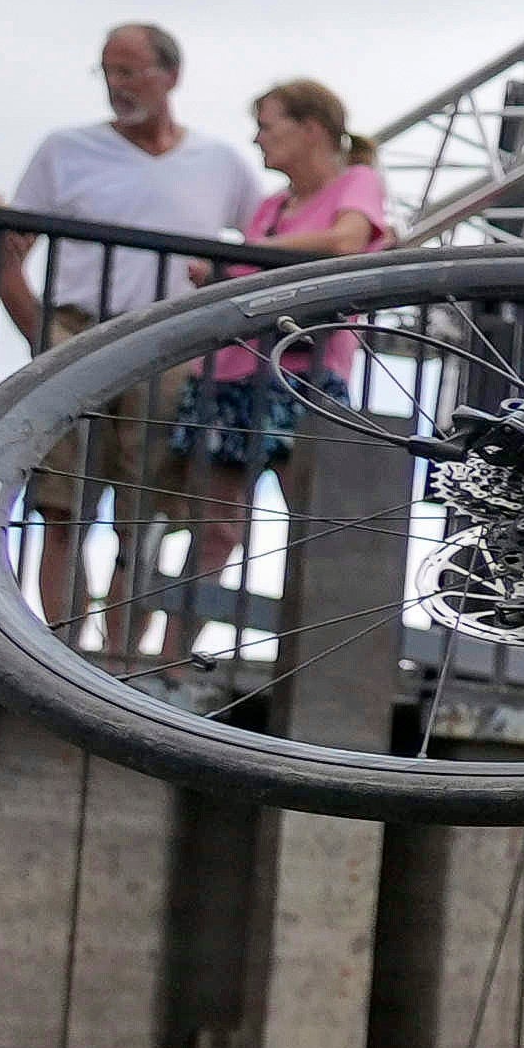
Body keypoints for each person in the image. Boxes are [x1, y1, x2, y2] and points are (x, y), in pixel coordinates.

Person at [0, 18, 260, 658]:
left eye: (129, 70)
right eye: (107, 70)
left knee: (149, 512)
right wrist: (43, 336)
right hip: (77, 331)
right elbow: (9, 254)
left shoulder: (221, 164)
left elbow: (262, 248)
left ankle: (122, 665)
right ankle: (58, 655)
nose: (116, 84)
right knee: (61, 504)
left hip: (168, 344)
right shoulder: (64, 150)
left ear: (171, 75)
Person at [150, 79, 392, 673]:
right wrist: (242, 263)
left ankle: (318, 663)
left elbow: (346, 241)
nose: (259, 138)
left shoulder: (356, 183)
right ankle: (169, 660)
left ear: (311, 129)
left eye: (269, 124)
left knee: (311, 518)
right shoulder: (271, 205)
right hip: (234, 373)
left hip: (302, 373)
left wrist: (244, 257)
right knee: (217, 528)